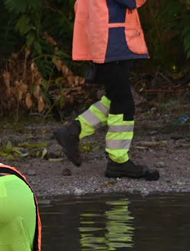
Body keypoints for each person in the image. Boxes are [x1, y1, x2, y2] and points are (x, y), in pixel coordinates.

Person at [53, 0, 159, 181]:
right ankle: (118, 161)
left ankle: (73, 131)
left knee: (115, 98)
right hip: (113, 38)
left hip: (107, 37)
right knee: (123, 103)